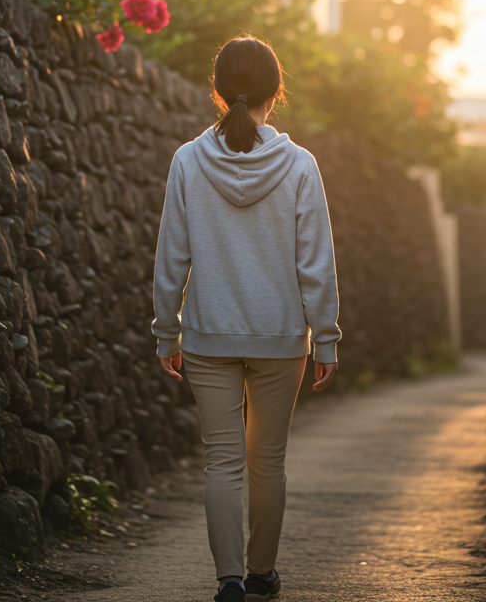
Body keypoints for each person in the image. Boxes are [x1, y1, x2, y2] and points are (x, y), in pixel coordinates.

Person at [151, 36, 341, 602]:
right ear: (275, 91)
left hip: (208, 336)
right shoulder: (300, 165)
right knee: (268, 462)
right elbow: (316, 263)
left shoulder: (188, 161)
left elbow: (171, 256)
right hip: (280, 338)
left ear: (217, 90)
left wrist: (167, 331)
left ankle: (229, 580)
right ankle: (261, 575)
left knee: (222, 462)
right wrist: (325, 339)